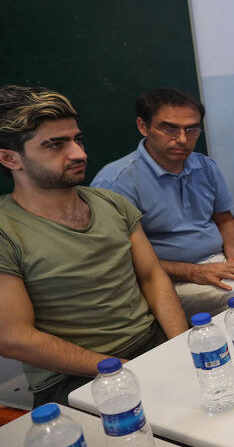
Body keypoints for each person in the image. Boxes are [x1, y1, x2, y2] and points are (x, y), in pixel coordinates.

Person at [0, 85, 188, 407]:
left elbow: (152, 277)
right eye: (56, 145)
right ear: (9, 158)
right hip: (74, 375)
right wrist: (122, 369)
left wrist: (181, 346)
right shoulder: (7, 231)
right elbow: (15, 338)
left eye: (77, 139)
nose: (79, 153)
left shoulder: (111, 203)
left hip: (150, 345)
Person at [92, 88, 234, 318]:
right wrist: (193, 272)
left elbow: (225, 219)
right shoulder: (117, 181)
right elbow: (120, 258)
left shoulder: (205, 166)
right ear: (143, 126)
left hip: (215, 264)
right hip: (162, 280)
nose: (182, 139)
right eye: (170, 128)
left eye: (191, 129)